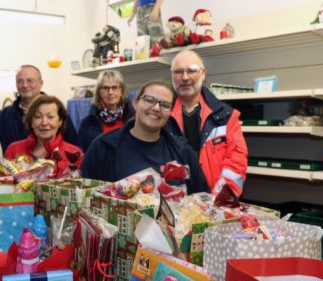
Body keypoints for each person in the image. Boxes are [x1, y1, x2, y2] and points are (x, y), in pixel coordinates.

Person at [81, 80, 209, 194]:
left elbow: (202, 201)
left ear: (171, 112)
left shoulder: (183, 152)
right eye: (149, 100)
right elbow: (83, 195)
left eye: (165, 105)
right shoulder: (104, 147)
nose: (156, 108)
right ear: (136, 103)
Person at [166, 49, 248, 199]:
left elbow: (236, 164)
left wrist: (219, 201)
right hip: (171, 204)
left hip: (215, 204)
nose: (185, 77)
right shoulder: (161, 116)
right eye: (178, 71)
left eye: (192, 70)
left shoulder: (225, 117)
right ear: (171, 75)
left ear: (203, 73)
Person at [0, 64, 77, 153]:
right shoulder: (4, 116)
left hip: (53, 178)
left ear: (41, 83)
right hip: (15, 179)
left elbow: (74, 148)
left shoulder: (58, 113)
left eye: (30, 80)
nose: (25, 85)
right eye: (20, 81)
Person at [4, 95, 83, 175]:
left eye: (50, 117)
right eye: (38, 117)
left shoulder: (74, 153)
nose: (44, 123)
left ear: (60, 122)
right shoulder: (13, 150)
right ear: (31, 122)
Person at [77, 70, 135, 152]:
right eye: (105, 88)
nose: (110, 92)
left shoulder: (134, 120)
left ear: (121, 91)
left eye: (114, 87)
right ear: (99, 92)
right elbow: (81, 154)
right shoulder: (87, 123)